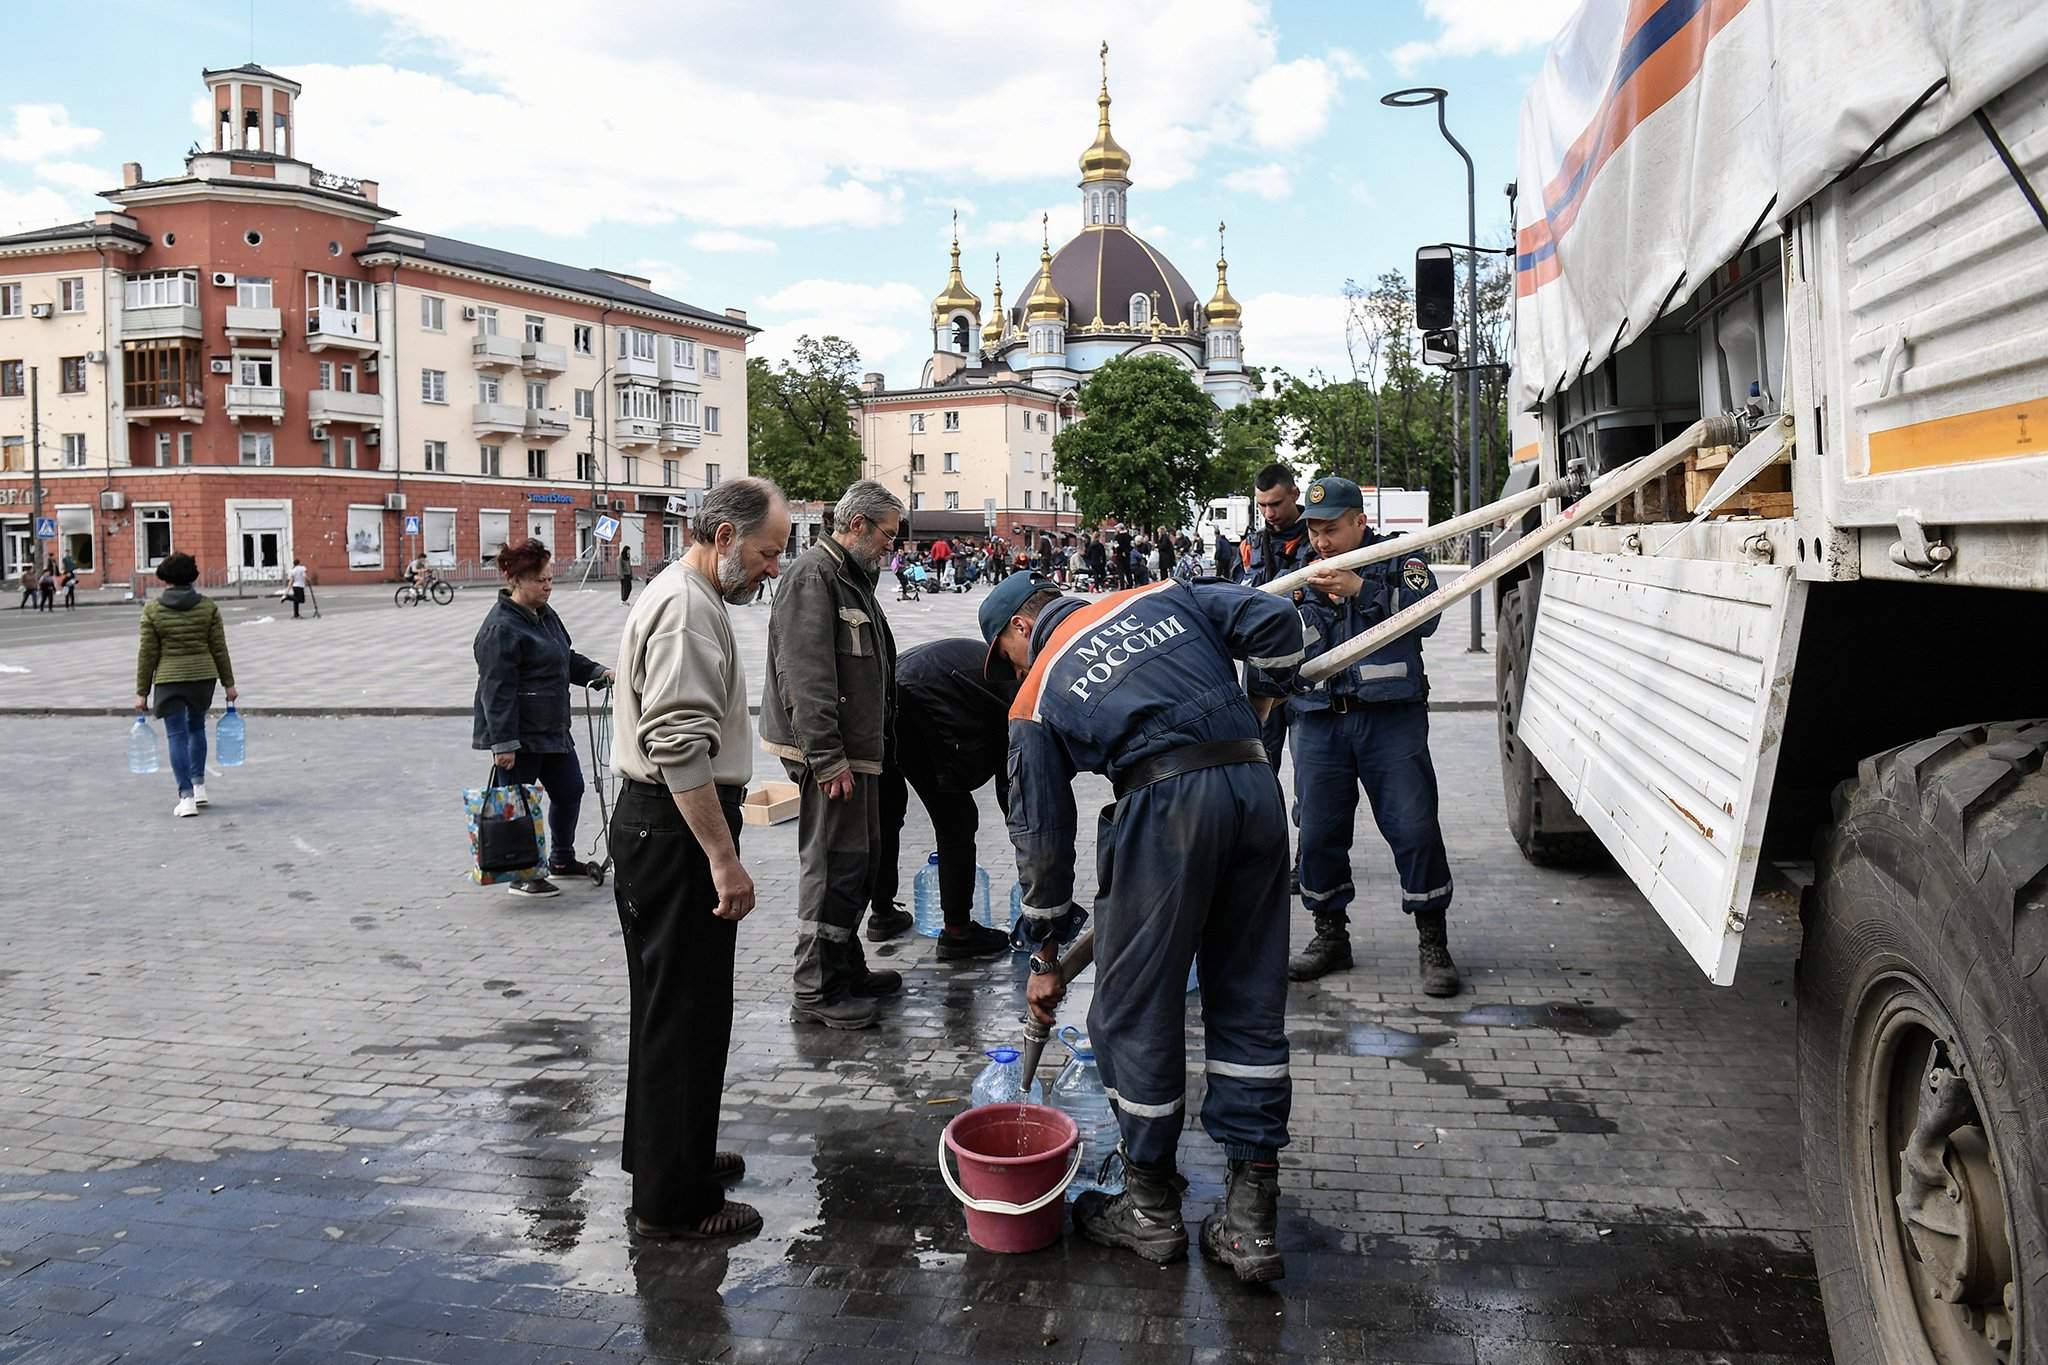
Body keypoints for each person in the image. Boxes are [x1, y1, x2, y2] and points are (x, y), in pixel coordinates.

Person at [1000, 570, 1305, 1282]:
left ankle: (1148, 1207)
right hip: (1255, 792)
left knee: (1132, 1010)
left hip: (1164, 807)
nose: (1012, 669)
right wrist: (1259, 703)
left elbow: (1042, 839)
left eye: (1006, 654)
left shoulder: (1036, 690)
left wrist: (1043, 947)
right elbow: (1276, 622)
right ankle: (1252, 1221)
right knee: (1249, 999)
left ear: (1022, 628)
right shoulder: (1163, 593)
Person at [609, 477, 790, 1241]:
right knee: (681, 1013)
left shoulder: (688, 593)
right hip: (674, 830)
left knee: (675, 1007)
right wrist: (724, 856)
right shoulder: (686, 606)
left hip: (661, 825)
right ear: (722, 536)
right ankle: (671, 1202)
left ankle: (668, 1155)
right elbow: (677, 743)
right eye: (766, 551)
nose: (773, 568)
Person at [1287, 476, 1458, 994]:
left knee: (1414, 828)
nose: (1321, 541)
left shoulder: (1400, 559)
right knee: (1317, 834)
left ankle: (1433, 941)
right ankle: (1330, 936)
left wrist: (1364, 590)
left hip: (1389, 722)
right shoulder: (1302, 571)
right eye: (1314, 530)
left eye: (1331, 529)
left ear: (1359, 522)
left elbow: (1427, 621)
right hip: (1318, 720)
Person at [760, 479, 904, 1029]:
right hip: (831, 755)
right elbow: (805, 675)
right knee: (832, 864)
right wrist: (826, 758)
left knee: (857, 862)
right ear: (858, 525)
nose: (892, 546)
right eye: (887, 535)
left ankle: (844, 967)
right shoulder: (813, 576)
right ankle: (815, 987)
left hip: (856, 752)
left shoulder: (850, 575)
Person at [471, 538, 613, 900]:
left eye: (551, 579)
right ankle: (523, 872)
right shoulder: (501, 628)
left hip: (552, 727)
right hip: (519, 735)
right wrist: (502, 744)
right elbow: (495, 690)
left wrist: (600, 672)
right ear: (516, 580)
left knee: (570, 791)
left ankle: (562, 859)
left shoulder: (545, 615)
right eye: (541, 580)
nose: (548, 586)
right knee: (519, 804)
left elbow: (564, 658)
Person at [869, 634, 1019, 959]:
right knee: (956, 820)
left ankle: (881, 912)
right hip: (917, 700)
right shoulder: (1019, 688)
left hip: (883, 692)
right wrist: (1023, 832)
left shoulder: (998, 666)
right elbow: (1012, 774)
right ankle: (957, 932)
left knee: (887, 811)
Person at [132, 552, 236, 818]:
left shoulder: (153, 609)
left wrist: (142, 692)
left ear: (165, 577)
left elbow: (147, 654)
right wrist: (229, 684)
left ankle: (186, 797)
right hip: (203, 677)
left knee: (176, 735)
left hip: (170, 679)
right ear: (192, 576)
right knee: (196, 728)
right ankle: (199, 786)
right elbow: (219, 648)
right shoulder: (208, 607)